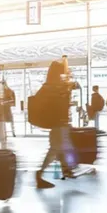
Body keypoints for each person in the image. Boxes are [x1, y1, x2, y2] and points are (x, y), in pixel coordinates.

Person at [35, 60, 78, 189]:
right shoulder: (56, 87)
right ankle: (40, 174)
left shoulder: (50, 86)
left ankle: (66, 170)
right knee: (56, 149)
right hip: (58, 123)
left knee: (62, 147)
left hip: (59, 122)